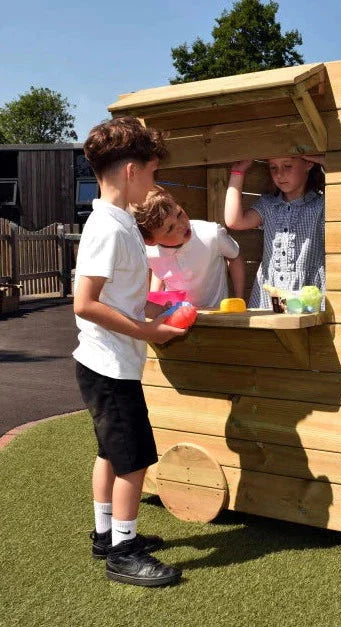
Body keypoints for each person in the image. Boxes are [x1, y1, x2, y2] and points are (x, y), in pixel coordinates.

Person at [73, 116, 186, 587]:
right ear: (132, 171)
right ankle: (123, 551)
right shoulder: (111, 228)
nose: (154, 184)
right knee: (134, 460)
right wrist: (148, 331)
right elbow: (85, 302)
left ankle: (106, 535)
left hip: (105, 363)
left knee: (111, 454)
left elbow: (115, 294)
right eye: (154, 173)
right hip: (110, 365)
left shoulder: (118, 223)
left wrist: (158, 307)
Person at [224, 156, 325, 309]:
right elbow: (234, 221)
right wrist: (237, 172)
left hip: (307, 293)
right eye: (273, 167)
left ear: (309, 163)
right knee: (267, 332)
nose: (279, 174)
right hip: (269, 294)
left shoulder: (321, 205)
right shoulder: (268, 205)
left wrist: (324, 161)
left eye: (288, 166)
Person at [133, 187, 245, 307]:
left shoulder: (211, 234)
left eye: (179, 214)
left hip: (214, 314)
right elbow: (159, 268)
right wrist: (156, 301)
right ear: (151, 241)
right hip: (175, 316)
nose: (182, 224)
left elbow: (235, 257)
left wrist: (239, 299)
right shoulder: (148, 251)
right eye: (170, 228)